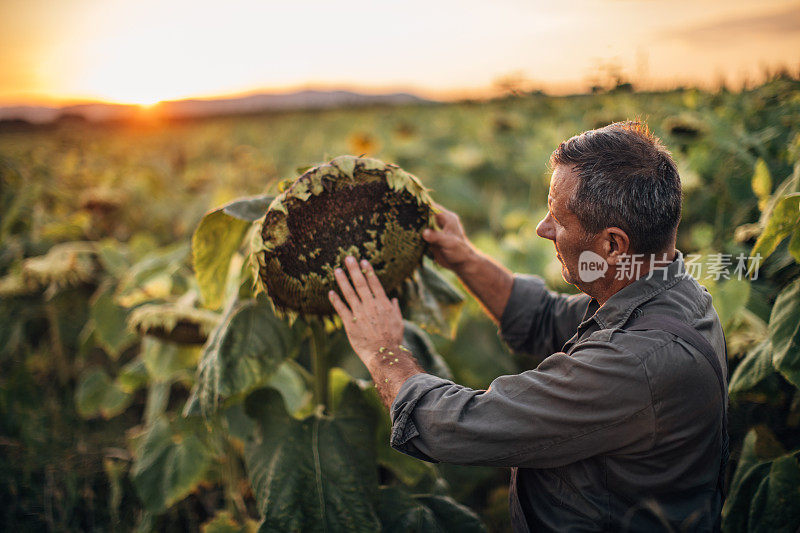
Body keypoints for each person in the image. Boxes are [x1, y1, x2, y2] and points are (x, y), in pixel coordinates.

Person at [327, 122, 728, 532]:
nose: (543, 228)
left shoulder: (637, 361)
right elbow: (542, 317)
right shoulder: (667, 289)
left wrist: (383, 350)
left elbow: (457, 427)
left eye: (558, 218)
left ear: (612, 245)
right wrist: (463, 257)